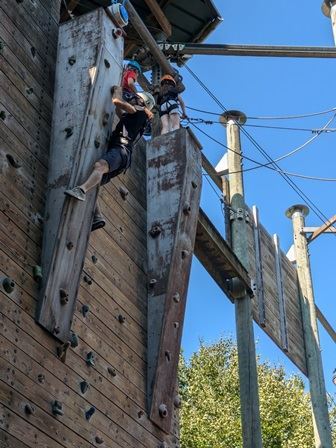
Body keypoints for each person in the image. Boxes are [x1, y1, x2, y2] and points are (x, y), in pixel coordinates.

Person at [64, 90, 155, 231]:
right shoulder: (135, 117)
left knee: (99, 166)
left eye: (135, 98)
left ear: (142, 103)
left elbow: (117, 102)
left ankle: (81, 191)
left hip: (120, 150)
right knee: (94, 180)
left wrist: (117, 91)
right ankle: (98, 216)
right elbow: (119, 111)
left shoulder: (140, 111)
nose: (131, 99)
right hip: (122, 155)